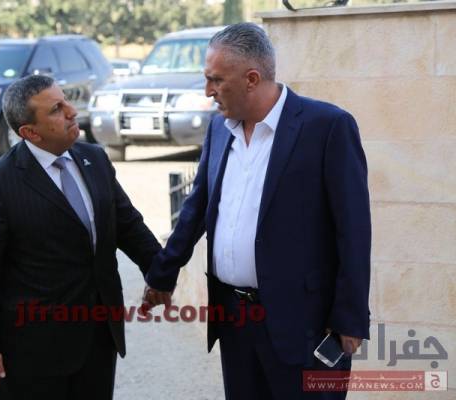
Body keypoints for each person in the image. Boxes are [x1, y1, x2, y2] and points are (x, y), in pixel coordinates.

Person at [142, 23, 371, 400]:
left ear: (251, 78)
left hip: (305, 324)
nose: (208, 91)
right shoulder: (219, 129)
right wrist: (162, 274)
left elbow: (354, 230)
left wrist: (350, 318)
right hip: (235, 320)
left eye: (216, 80)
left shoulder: (327, 127)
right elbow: (197, 207)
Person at [0, 74, 161, 400]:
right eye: (56, 109)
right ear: (30, 132)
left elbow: (128, 225)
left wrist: (161, 274)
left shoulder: (95, 159)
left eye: (66, 100)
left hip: (98, 337)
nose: (71, 111)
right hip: (29, 351)